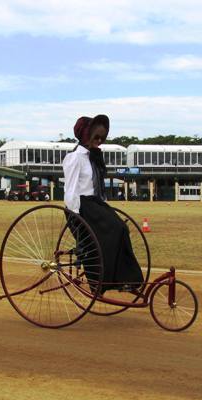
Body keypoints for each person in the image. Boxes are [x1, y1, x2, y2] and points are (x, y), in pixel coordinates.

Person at [62, 114, 143, 294]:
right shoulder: (75, 158)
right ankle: (100, 283)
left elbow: (97, 187)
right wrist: (75, 215)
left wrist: (105, 206)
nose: (99, 141)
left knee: (121, 228)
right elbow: (71, 189)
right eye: (96, 137)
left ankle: (126, 280)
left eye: (101, 138)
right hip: (82, 206)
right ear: (86, 136)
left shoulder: (94, 157)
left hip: (95, 204)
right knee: (108, 234)